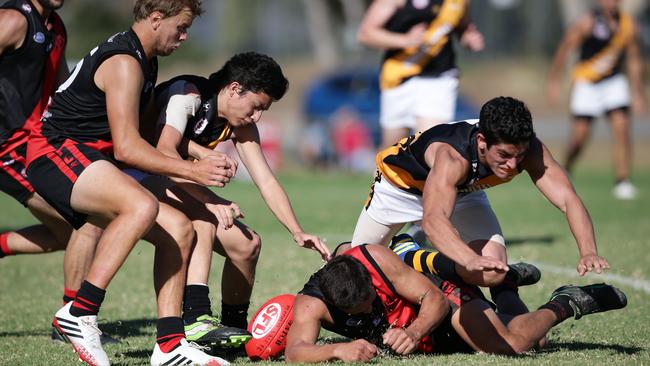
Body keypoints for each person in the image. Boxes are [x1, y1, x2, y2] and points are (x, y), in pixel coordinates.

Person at [25, 1, 235, 365]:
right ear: (156, 19)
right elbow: (127, 146)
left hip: (94, 159)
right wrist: (192, 171)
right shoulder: (124, 61)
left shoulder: (145, 60)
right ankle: (80, 311)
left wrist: (195, 158)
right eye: (180, 27)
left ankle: (170, 345)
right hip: (55, 152)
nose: (184, 37)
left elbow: (141, 142)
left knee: (180, 229)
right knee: (141, 205)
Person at [350, 96, 611, 316]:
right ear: (482, 142)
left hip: (465, 193)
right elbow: (432, 221)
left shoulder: (527, 148)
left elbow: (567, 198)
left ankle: (506, 284)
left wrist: (588, 250)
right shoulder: (452, 157)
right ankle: (409, 254)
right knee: (355, 274)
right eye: (504, 156)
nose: (512, 166)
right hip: (399, 190)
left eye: (518, 156)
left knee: (491, 271)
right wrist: (468, 258)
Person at [148, 51, 331, 346]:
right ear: (235, 88)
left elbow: (266, 180)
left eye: (264, 111)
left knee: (248, 245)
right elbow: (163, 155)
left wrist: (297, 231)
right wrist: (209, 198)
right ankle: (196, 318)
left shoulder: (238, 124)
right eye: (256, 107)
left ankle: (232, 332)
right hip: (141, 177)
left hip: (181, 186)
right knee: (204, 219)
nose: (257, 117)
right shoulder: (188, 95)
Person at [284, 243, 627, 362]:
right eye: (357, 312)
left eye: (371, 300)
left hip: (439, 301)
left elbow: (432, 298)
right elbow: (295, 351)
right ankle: (507, 285)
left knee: (513, 343)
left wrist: (414, 332)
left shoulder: (374, 259)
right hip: (427, 336)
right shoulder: (311, 302)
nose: (369, 309)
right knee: (538, 340)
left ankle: (566, 302)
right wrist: (336, 350)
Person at [0, 0, 112, 344]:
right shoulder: (16, 19)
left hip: (35, 141)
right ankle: (71, 320)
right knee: (86, 218)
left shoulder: (55, 26)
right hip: (7, 146)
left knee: (71, 234)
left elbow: (63, 84)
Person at [546, 0, 646, 200]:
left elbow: (635, 59)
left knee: (622, 129)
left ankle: (622, 181)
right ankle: (567, 167)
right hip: (587, 83)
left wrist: (638, 92)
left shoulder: (629, 25)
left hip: (614, 83)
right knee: (579, 138)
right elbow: (566, 47)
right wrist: (554, 80)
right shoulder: (588, 22)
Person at [357, 0, 484, 150]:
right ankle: (384, 173)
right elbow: (366, 34)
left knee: (431, 144)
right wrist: (405, 41)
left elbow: (462, 27)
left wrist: (469, 39)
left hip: (439, 79)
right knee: (392, 151)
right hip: (399, 78)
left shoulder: (457, 2)